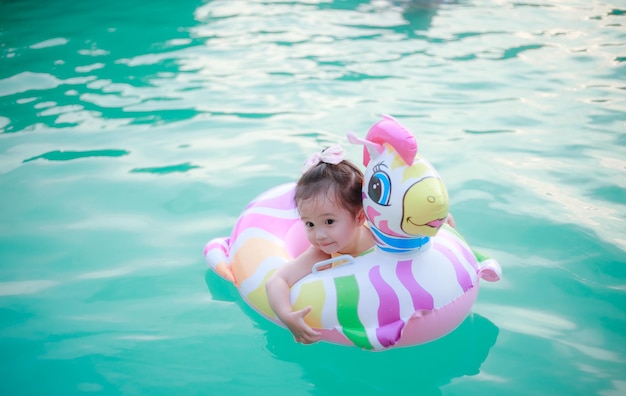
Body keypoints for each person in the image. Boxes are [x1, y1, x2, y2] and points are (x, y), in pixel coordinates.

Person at [265, 145, 375, 345]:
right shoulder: (322, 253)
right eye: (310, 224)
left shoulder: (381, 234)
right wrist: (286, 314)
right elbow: (276, 281)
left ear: (359, 217)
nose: (319, 235)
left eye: (329, 222)